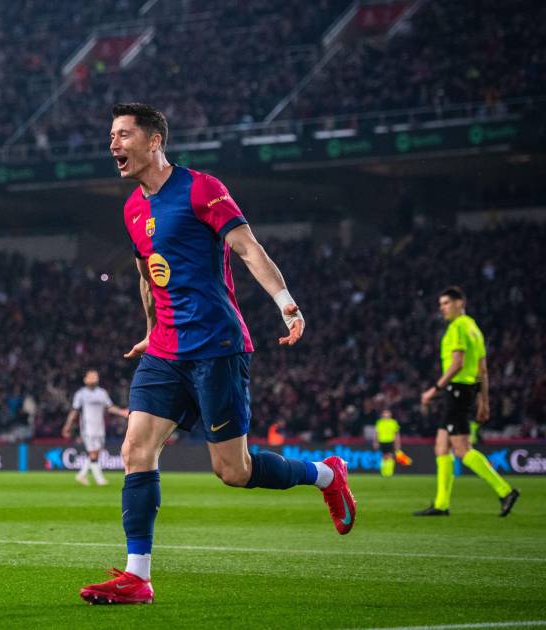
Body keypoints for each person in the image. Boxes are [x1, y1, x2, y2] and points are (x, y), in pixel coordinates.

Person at [79, 104, 356, 606]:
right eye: (111, 136)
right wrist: (150, 331)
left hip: (216, 346)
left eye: (123, 135)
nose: (113, 144)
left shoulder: (201, 188)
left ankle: (326, 474)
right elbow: (148, 275)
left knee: (234, 471)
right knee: (135, 451)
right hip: (165, 352)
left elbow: (248, 248)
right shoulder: (132, 208)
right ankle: (137, 577)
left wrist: (286, 303)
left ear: (154, 141)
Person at [415, 286, 519, 517]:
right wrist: (484, 400)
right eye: (441, 304)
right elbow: (482, 370)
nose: (442, 308)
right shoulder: (474, 329)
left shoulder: (458, 327)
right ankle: (441, 504)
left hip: (457, 391)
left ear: (460, 302)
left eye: (446, 303)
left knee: (462, 449)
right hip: (466, 391)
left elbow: (457, 363)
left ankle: (505, 491)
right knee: (441, 447)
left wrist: (433, 390)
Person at [61, 369, 129, 486]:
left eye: (95, 376)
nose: (93, 378)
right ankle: (99, 479)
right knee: (93, 453)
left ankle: (81, 475)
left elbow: (110, 407)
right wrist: (68, 426)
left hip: (100, 428)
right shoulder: (81, 394)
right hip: (88, 428)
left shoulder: (102, 393)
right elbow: (74, 411)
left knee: (96, 452)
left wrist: (122, 412)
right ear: (85, 379)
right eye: (91, 376)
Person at [373, 410, 401, 478]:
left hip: (390, 441)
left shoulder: (393, 422)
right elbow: (376, 433)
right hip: (382, 441)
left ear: (390, 415)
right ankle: (383, 472)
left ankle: (389, 473)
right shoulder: (379, 422)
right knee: (384, 457)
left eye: (387, 413)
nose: (386, 415)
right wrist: (375, 442)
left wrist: (397, 443)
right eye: (384, 413)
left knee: (390, 456)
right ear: (382, 415)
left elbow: (396, 434)